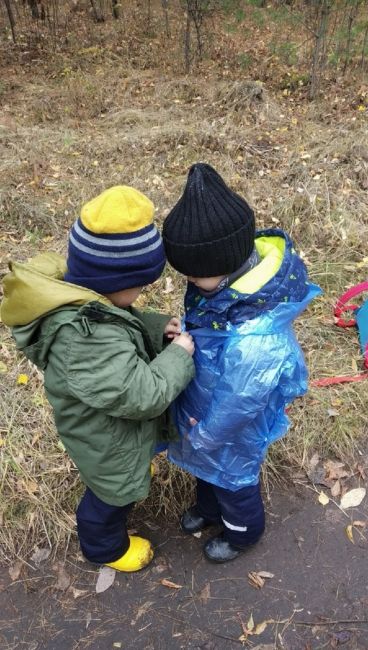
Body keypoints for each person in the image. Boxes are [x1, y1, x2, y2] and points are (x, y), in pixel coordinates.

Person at [1, 185, 195, 572]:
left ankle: (124, 486)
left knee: (120, 482)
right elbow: (141, 394)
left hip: (112, 430)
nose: (141, 293)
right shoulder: (86, 337)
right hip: (105, 440)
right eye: (139, 287)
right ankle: (103, 546)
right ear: (115, 282)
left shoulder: (90, 302)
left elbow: (120, 322)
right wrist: (178, 355)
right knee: (110, 497)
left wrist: (157, 328)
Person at [162, 163, 321, 563]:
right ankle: (208, 509)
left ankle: (243, 532)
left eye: (195, 276)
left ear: (224, 263)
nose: (190, 283)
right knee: (206, 469)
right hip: (205, 407)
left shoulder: (257, 340)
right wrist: (187, 332)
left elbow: (240, 404)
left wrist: (205, 436)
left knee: (234, 479)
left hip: (228, 425)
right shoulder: (224, 292)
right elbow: (210, 323)